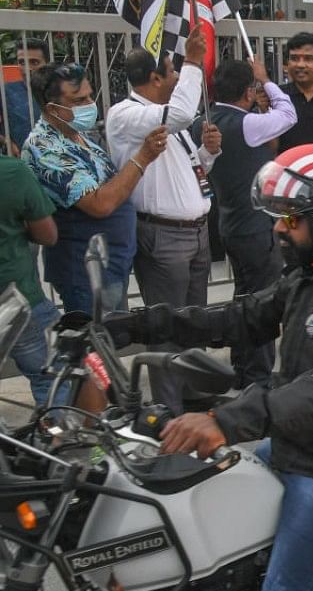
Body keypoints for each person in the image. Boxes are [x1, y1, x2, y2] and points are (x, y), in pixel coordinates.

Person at [105, 144, 313, 591]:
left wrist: (225, 419)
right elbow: (241, 317)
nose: (278, 227)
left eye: (291, 218)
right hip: (303, 441)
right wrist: (137, 325)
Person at [106, 34, 222, 414]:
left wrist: (209, 151)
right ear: (155, 78)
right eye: (172, 72)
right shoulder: (126, 115)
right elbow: (180, 115)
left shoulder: (166, 121)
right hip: (163, 235)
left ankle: (192, 394)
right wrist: (193, 60)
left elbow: (193, 173)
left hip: (196, 233)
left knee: (193, 323)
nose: (177, 78)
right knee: (166, 326)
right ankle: (169, 411)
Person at [24, 63, 163, 314]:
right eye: (79, 100)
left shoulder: (78, 136)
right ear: (52, 108)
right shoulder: (45, 148)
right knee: (96, 347)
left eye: (90, 95)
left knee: (113, 344)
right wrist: (143, 157)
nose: (90, 104)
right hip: (85, 273)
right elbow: (101, 204)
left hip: (110, 265)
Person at [202, 57, 296, 390]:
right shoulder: (247, 124)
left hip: (230, 224)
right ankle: (257, 378)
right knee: (261, 306)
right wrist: (267, 81)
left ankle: (242, 370)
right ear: (247, 92)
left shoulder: (207, 122)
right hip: (256, 228)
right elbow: (288, 114)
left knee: (242, 300)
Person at [0, 153, 60, 404]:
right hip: (18, 299)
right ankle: (58, 438)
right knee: (53, 377)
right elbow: (48, 235)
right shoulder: (12, 171)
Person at [2, 38, 48, 155]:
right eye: (22, 62)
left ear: (47, 63)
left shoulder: (60, 90)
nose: (27, 68)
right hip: (22, 161)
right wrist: (6, 142)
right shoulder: (6, 91)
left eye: (34, 62)